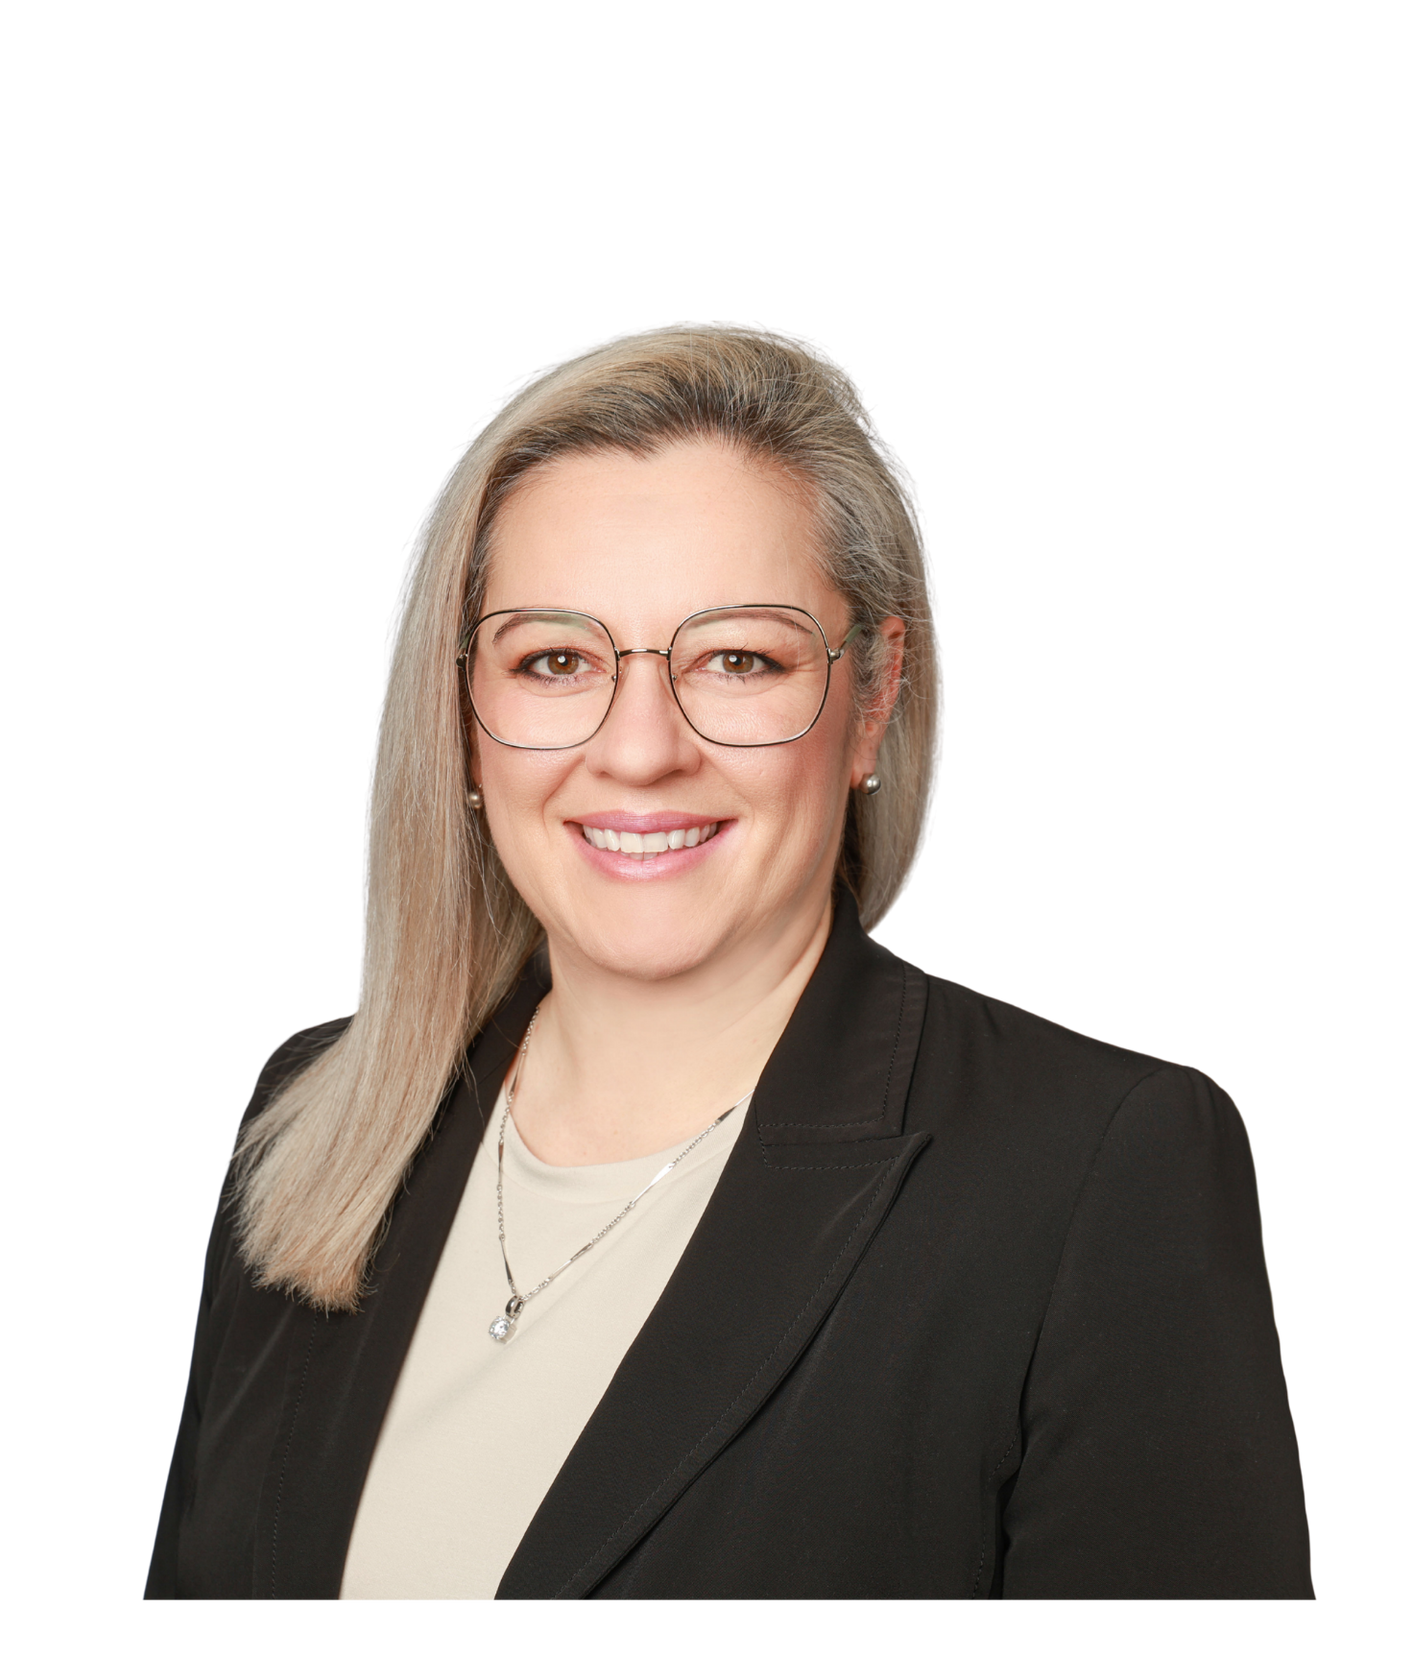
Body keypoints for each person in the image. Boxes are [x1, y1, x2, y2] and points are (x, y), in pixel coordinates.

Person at [143, 317, 1315, 1603]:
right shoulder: (318, 1116)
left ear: (873, 695)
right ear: (463, 710)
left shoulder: (1099, 1171)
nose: (640, 749)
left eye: (738, 658)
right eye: (555, 660)